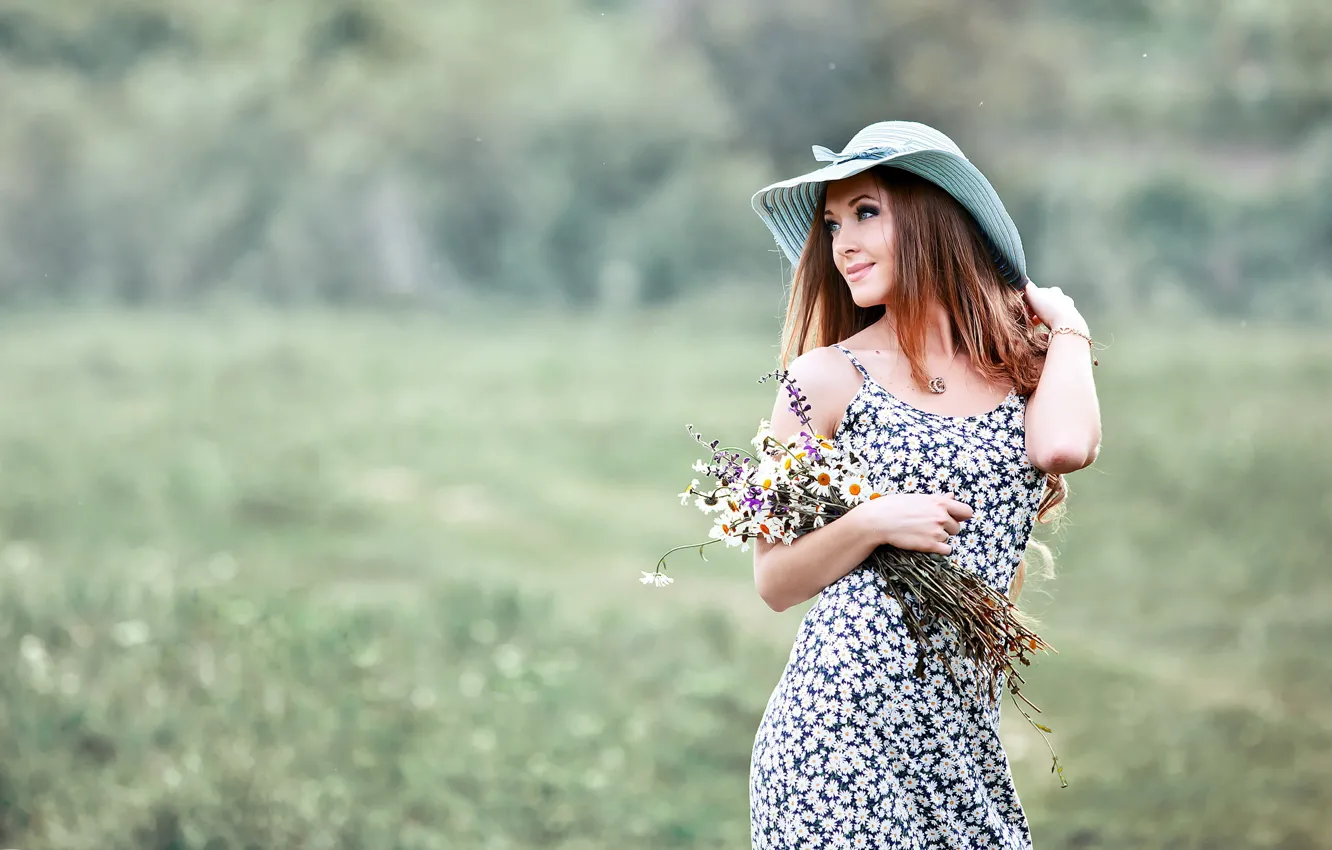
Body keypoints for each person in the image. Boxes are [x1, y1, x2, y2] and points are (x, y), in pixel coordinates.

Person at [746, 121, 1101, 849]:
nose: (843, 241)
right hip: (836, 734)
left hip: (960, 741)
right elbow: (774, 580)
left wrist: (1068, 324)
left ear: (937, 216)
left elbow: (1065, 446)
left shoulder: (1024, 366)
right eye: (833, 223)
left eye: (867, 212)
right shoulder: (823, 380)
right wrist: (872, 523)